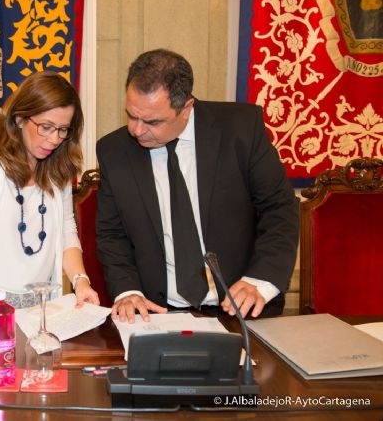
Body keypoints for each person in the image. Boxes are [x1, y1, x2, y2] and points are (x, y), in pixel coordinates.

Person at [96, 49, 299, 323]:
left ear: (186, 108)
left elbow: (279, 210)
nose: (137, 130)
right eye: (131, 115)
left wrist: (260, 281)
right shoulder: (114, 150)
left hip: (242, 307)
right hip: (158, 313)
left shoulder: (240, 130)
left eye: (152, 121)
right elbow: (112, 234)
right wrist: (128, 291)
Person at [0, 71, 100, 336]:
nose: (54, 139)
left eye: (63, 130)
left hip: (41, 313)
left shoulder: (58, 170)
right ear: (20, 118)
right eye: (46, 127)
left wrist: (81, 281)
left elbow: (67, 233)